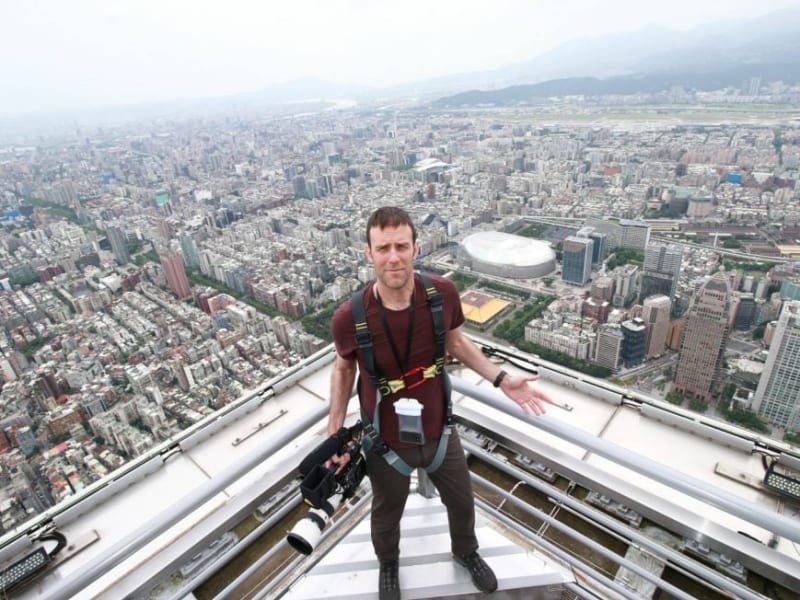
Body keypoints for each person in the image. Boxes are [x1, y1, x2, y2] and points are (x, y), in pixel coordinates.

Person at [327, 206, 553, 600]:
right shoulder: (350, 317)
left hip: (439, 429)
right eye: (383, 248)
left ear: (417, 247)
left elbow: (457, 343)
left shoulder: (441, 295)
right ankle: (389, 564)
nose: (393, 257)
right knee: (386, 512)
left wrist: (501, 379)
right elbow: (343, 371)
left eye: (401, 246)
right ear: (369, 253)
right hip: (384, 440)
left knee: (462, 501)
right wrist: (334, 437)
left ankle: (466, 551)